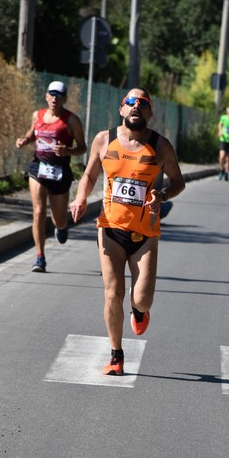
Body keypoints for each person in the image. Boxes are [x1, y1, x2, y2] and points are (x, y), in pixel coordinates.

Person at [70, 87, 185, 376]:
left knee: (142, 298)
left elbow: (178, 181)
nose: (136, 106)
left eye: (143, 103)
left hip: (145, 232)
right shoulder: (103, 140)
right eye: (131, 102)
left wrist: (163, 195)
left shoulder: (160, 146)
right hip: (109, 228)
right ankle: (116, 356)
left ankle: (139, 309)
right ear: (122, 109)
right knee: (112, 293)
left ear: (149, 113)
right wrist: (81, 196)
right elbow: (89, 175)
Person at [15, 81, 87, 272]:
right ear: (46, 96)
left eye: (59, 95)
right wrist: (24, 140)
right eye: (51, 94)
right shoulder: (37, 115)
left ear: (64, 99)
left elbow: (83, 147)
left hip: (60, 170)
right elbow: (32, 134)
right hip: (38, 167)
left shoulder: (72, 120)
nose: (54, 98)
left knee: (59, 219)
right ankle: (40, 257)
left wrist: (68, 151)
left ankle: (61, 227)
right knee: (38, 212)